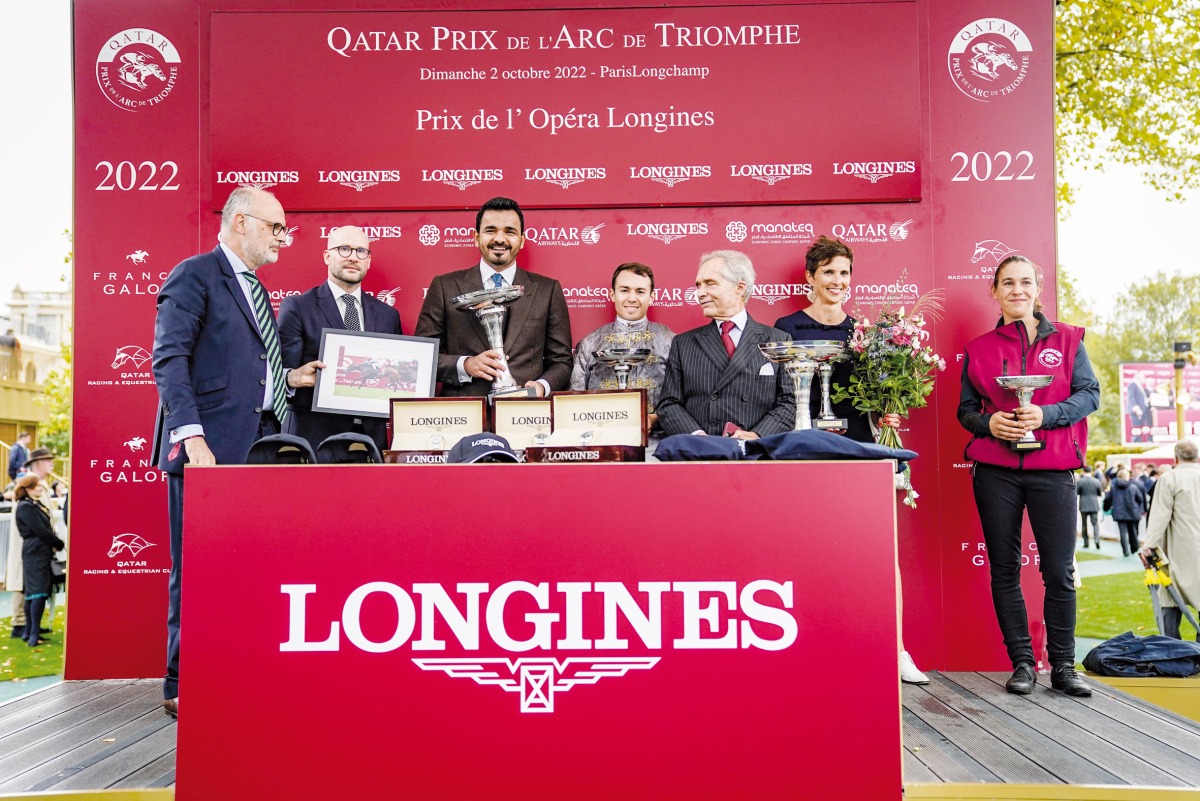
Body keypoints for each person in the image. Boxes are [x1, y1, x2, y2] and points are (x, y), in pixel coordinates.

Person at [151, 186, 322, 719]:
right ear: (242, 222)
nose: (283, 239)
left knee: (251, 570)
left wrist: (288, 378)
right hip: (209, 452)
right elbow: (169, 359)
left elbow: (248, 368)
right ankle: (181, 683)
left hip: (262, 449)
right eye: (276, 228)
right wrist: (191, 436)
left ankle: (242, 668)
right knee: (197, 569)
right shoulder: (195, 274)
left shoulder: (255, 289)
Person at [772, 236, 923, 682]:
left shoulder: (864, 335)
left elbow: (874, 397)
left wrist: (888, 409)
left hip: (857, 446)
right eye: (829, 273)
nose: (837, 281)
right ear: (810, 279)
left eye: (844, 273)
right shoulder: (786, 328)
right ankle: (811, 648)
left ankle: (895, 650)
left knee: (879, 551)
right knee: (805, 550)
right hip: (803, 450)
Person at [957, 254, 1100, 697]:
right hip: (996, 472)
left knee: (1058, 571)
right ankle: (1021, 664)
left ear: (1038, 288)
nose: (1017, 290)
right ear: (994, 291)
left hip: (1054, 469)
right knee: (1004, 569)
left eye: (1025, 282)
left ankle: (1063, 665)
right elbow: (966, 411)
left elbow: (1089, 394)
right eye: (1007, 283)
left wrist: (1046, 414)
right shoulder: (979, 349)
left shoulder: (1071, 340)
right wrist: (990, 424)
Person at [415, 197, 572, 398]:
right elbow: (422, 356)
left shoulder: (547, 290)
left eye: (510, 231)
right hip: (464, 413)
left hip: (525, 414)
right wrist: (465, 365)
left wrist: (540, 387)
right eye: (490, 230)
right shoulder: (444, 287)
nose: (499, 239)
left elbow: (562, 362)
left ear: (522, 240)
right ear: (476, 237)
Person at [278, 224, 404, 454]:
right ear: (327, 256)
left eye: (361, 251)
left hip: (373, 441)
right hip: (314, 439)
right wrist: (293, 377)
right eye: (344, 249)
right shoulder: (297, 307)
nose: (353, 258)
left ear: (368, 260)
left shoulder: (388, 315)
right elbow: (280, 372)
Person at [656, 250, 795, 440]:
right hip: (701, 456)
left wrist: (756, 435)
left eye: (709, 283)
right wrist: (697, 437)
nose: (699, 293)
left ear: (739, 288)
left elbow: (789, 401)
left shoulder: (778, 340)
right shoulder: (683, 343)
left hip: (758, 455)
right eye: (698, 285)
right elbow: (668, 404)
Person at [570, 262, 675, 428]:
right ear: (612, 294)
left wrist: (654, 419)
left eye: (640, 291)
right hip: (601, 438)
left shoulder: (670, 341)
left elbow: (681, 399)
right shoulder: (590, 343)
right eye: (624, 290)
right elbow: (574, 399)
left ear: (652, 296)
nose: (631, 298)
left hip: (657, 441)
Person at [1142, 441, 1199, 640]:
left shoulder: (1169, 478)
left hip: (1179, 550)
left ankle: (1173, 652)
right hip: (1189, 547)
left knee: (1170, 599)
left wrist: (1148, 545)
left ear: (1175, 458)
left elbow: (1159, 515)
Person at [4, 447, 59, 640]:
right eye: (48, 461)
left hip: (36, 544)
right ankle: (21, 623)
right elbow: (33, 520)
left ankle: (29, 625)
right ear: (37, 464)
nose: (52, 464)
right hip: (30, 543)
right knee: (26, 584)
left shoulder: (38, 483)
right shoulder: (29, 484)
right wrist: (53, 540)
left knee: (31, 586)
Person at [13, 474, 64, 647]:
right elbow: (40, 530)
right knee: (38, 593)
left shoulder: (32, 505)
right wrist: (57, 542)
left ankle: (29, 632)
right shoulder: (27, 507)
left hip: (36, 550)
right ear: (28, 488)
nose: (40, 489)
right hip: (36, 550)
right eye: (37, 486)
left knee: (32, 593)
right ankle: (33, 634)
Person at [1105, 468, 1147, 557]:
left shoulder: (1114, 487)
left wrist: (1107, 507)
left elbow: (1108, 499)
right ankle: (1134, 548)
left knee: (1122, 533)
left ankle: (1125, 551)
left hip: (1120, 513)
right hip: (1132, 511)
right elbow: (1140, 498)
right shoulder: (1133, 486)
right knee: (1133, 531)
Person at [1076, 468, 1104, 548]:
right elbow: (1099, 493)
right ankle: (1097, 540)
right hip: (1094, 504)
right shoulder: (1096, 481)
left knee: (1084, 524)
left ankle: (1086, 543)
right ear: (1091, 472)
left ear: (1084, 472)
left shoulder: (1080, 481)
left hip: (1084, 504)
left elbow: (1077, 492)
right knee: (1095, 524)